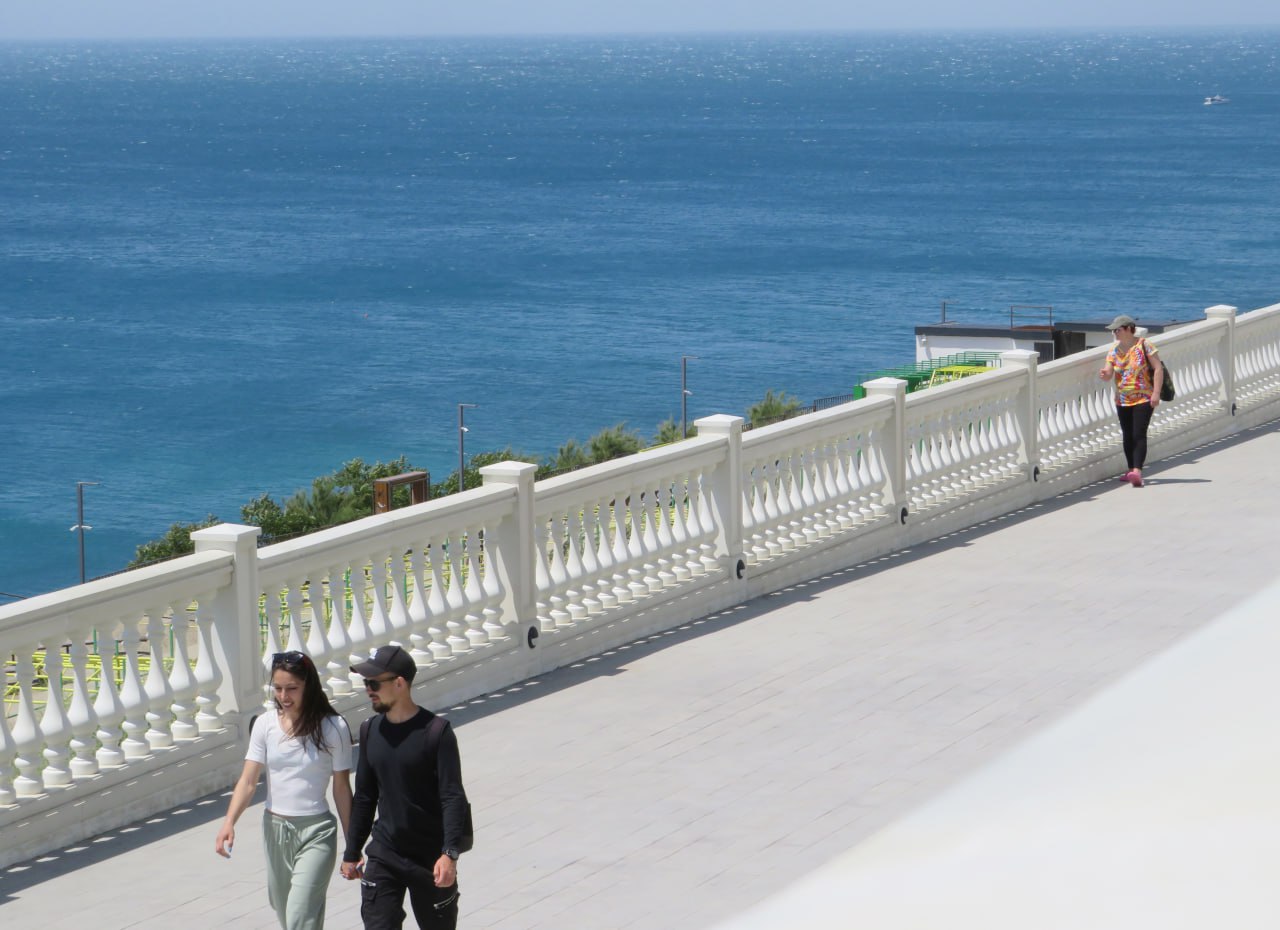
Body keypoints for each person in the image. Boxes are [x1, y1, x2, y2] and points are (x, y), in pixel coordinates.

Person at [216, 650, 354, 930]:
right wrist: (229, 822)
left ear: (308, 686)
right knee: (284, 909)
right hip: (275, 829)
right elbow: (248, 781)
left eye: (292, 688)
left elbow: (341, 788)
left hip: (317, 831)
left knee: (300, 914)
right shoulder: (265, 724)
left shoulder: (333, 727)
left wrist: (353, 844)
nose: (284, 696)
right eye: (278, 688)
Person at [341, 645, 470, 929]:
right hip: (385, 853)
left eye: (374, 683)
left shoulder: (437, 733)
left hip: (430, 859)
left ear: (399, 683)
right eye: (366, 683)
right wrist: (352, 851)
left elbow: (452, 797)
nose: (368, 690)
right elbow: (365, 796)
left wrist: (449, 854)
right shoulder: (370, 730)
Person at [1099, 314, 1165, 488]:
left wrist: (1156, 393)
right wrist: (1105, 374)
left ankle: (1137, 471)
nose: (1115, 333)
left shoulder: (1144, 345)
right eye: (1113, 331)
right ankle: (1130, 470)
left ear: (1129, 329)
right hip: (1122, 399)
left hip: (1144, 397)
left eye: (1118, 330)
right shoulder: (1114, 350)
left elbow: (1158, 368)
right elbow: (1109, 372)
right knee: (1127, 435)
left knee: (1138, 434)